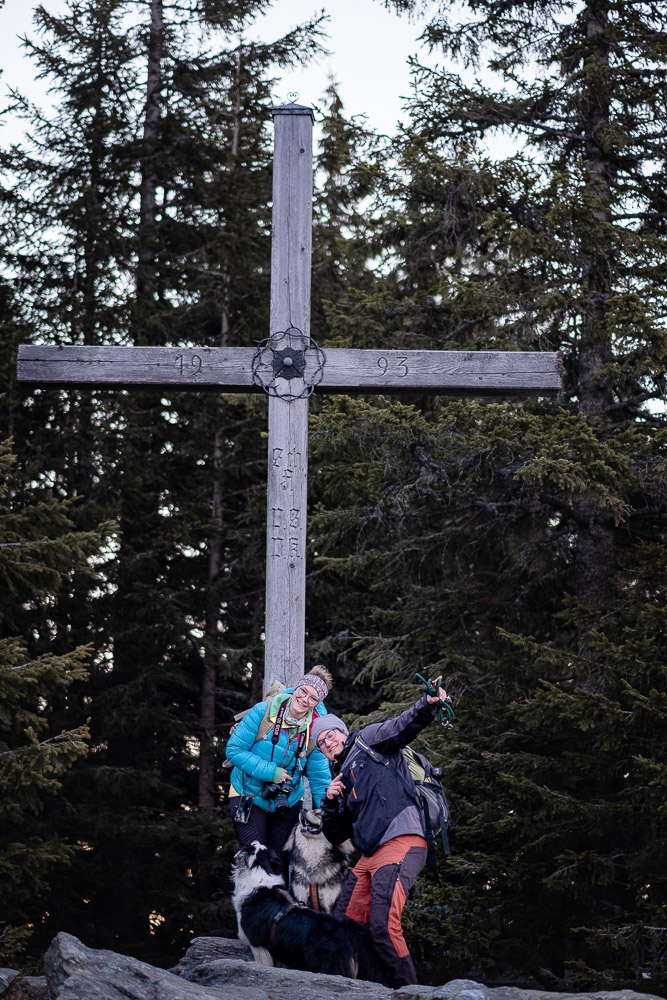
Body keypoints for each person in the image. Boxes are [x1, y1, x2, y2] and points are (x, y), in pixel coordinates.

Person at [311, 678, 450, 987]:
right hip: (370, 854)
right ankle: (360, 988)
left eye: (331, 734)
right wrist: (330, 802)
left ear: (342, 731)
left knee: (383, 926)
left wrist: (426, 704)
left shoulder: (368, 740)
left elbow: (402, 727)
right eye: (321, 743)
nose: (328, 742)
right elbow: (336, 834)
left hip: (402, 839)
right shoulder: (341, 776)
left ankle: (409, 992)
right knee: (343, 924)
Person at [225, 665, 333, 855]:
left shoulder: (316, 731)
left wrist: (331, 812)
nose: (305, 699)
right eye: (303, 691)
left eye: (313, 698)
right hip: (246, 793)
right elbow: (234, 750)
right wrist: (272, 772)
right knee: (255, 860)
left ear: (317, 703)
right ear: (296, 688)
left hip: (288, 801)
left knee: (279, 866)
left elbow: (319, 777)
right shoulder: (264, 711)